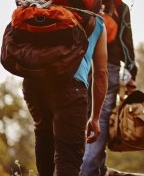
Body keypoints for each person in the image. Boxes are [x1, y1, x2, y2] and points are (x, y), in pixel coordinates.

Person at [23, 14, 108, 176]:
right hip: (71, 86)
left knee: (43, 136)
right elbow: (101, 74)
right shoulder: (96, 22)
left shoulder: (44, 9)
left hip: (34, 82)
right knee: (68, 158)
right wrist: (95, 117)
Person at [80, 0, 137, 176]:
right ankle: (86, 172)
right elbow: (126, 41)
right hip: (108, 66)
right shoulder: (120, 7)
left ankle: (97, 169)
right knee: (100, 120)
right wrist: (131, 69)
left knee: (83, 118)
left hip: (80, 65)